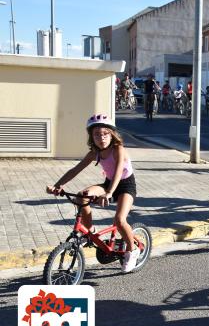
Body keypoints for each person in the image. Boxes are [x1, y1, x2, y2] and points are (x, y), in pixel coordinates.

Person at [46, 114, 140, 272]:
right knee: (81, 196)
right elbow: (75, 169)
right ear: (91, 137)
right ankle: (92, 232)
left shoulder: (118, 149)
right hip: (108, 184)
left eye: (105, 133)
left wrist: (109, 193)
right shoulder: (94, 153)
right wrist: (57, 185)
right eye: (97, 134)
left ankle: (132, 250)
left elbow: (118, 172)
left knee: (119, 219)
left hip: (125, 186)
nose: (101, 137)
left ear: (112, 134)